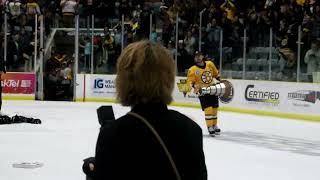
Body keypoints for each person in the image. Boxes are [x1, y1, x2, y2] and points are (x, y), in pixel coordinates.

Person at [91, 41, 207, 180]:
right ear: (168, 78)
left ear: (125, 80)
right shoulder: (191, 129)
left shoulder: (114, 134)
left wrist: (94, 171)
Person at [186, 51, 221, 137]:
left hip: (212, 88)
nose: (198, 58)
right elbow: (190, 81)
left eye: (199, 56)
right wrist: (195, 86)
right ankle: (209, 127)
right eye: (196, 56)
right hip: (203, 91)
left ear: (202, 56)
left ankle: (214, 125)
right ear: (194, 58)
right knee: (208, 108)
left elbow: (216, 74)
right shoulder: (192, 69)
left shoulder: (210, 64)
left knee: (214, 108)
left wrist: (219, 81)